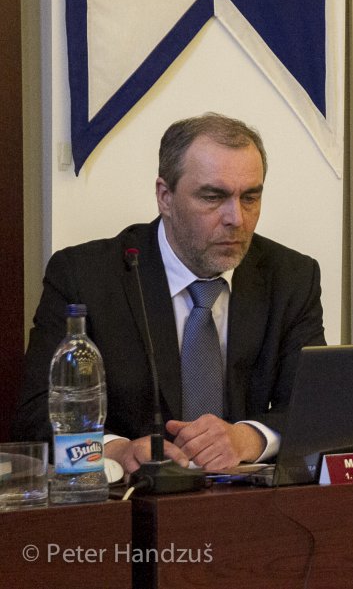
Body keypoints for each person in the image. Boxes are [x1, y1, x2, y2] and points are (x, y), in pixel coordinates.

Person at [12, 113, 326, 473]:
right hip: (133, 500)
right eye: (213, 197)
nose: (236, 218)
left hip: (246, 499)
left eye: (250, 198)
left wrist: (248, 438)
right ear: (165, 197)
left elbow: (316, 408)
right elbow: (36, 416)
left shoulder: (291, 277)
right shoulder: (85, 277)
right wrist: (116, 451)